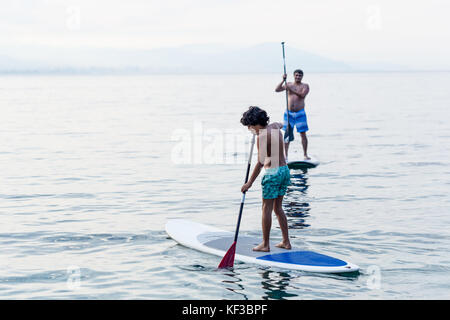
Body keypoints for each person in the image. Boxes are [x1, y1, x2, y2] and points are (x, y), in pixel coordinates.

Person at [240, 106, 292, 252]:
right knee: (278, 208)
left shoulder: (261, 136)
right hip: (284, 170)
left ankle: (265, 244)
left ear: (255, 123)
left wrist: (249, 183)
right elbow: (283, 124)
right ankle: (286, 242)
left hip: (272, 174)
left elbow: (260, 162)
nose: (250, 129)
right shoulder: (275, 127)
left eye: (250, 126)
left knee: (266, 209)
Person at [275, 69, 310, 160]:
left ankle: (305, 154)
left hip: (300, 113)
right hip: (288, 113)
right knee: (287, 134)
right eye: (296, 75)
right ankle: (285, 155)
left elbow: (302, 95)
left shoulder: (305, 86)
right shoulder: (289, 84)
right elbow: (277, 89)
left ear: (302, 76)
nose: (298, 77)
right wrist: (283, 80)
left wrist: (291, 89)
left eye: (300, 75)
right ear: (294, 76)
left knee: (303, 134)